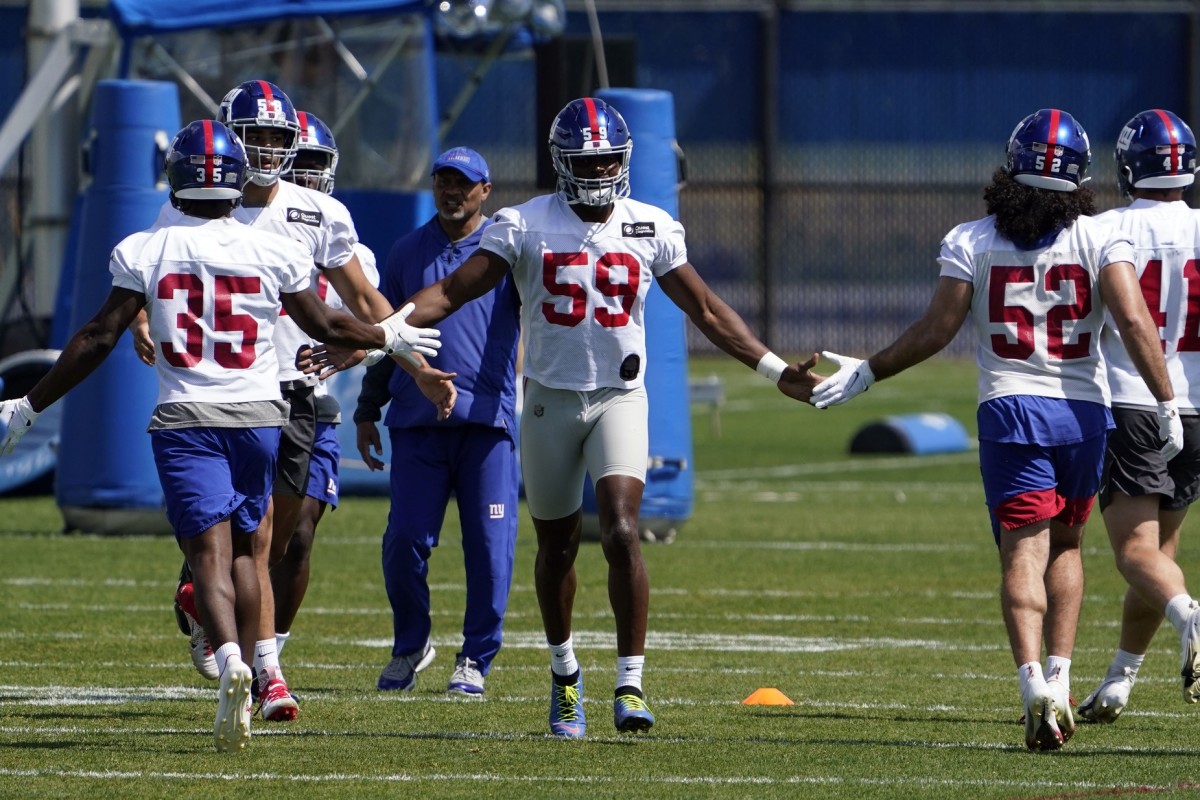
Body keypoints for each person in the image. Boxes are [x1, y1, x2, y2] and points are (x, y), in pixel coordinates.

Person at [328, 97, 821, 736]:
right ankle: (565, 677)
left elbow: (706, 308)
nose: (596, 171)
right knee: (556, 545)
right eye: (585, 160)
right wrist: (380, 332)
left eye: (607, 159)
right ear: (562, 162)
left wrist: (775, 369)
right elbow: (450, 292)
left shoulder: (650, 225)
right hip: (548, 401)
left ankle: (631, 683)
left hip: (619, 396)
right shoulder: (524, 223)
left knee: (618, 529)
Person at [0, 119, 439, 752]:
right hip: (262, 418)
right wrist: (390, 337)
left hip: (188, 418)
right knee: (252, 550)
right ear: (237, 180)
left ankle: (231, 657)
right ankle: (266, 669)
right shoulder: (276, 249)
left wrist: (29, 406)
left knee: (208, 554)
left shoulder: (144, 249)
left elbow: (97, 337)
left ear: (176, 178)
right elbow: (327, 321)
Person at [810, 108, 1183, 751]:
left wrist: (869, 372)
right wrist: (1165, 400)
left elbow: (936, 332)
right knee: (1066, 548)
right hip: (1084, 414)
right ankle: (1062, 681)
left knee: (1023, 553)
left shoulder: (971, 239)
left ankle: (1035, 683)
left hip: (1011, 410)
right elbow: (1133, 322)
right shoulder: (1099, 238)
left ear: (1011, 168)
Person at [147, 82, 452, 723]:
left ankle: (210, 603)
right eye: (253, 136)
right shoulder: (196, 202)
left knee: (282, 535)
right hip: (228, 388)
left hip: (300, 385)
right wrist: (141, 324)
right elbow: (152, 274)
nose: (264, 150)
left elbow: (366, 304)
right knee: (253, 542)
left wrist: (415, 366)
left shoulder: (320, 213)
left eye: (276, 140)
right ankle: (266, 670)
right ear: (228, 134)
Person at [354, 147, 520, 698]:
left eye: (464, 184)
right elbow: (387, 335)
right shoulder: (406, 251)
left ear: (486, 190)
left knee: (490, 547)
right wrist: (366, 408)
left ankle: (474, 658)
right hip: (416, 422)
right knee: (404, 539)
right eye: (443, 181)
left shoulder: (509, 248)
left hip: (486, 424)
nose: (452, 192)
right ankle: (410, 645)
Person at [1075, 109, 1200, 723]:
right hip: (1198, 408)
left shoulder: (1104, 228)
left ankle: (1191, 616)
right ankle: (1121, 679)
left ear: (1129, 168)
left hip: (1135, 400)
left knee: (1133, 552)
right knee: (1161, 553)